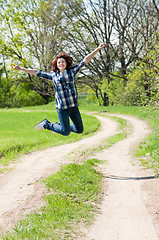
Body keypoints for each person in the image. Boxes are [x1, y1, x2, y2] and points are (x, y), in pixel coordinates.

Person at [13, 43, 107, 136]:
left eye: (62, 62)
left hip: (73, 106)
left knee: (79, 130)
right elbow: (37, 72)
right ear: (57, 65)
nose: (61, 63)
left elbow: (85, 60)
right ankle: (47, 124)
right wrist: (22, 69)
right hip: (62, 108)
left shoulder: (72, 71)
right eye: (59, 62)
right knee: (65, 132)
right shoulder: (53, 75)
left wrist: (97, 49)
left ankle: (58, 126)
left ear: (66, 63)